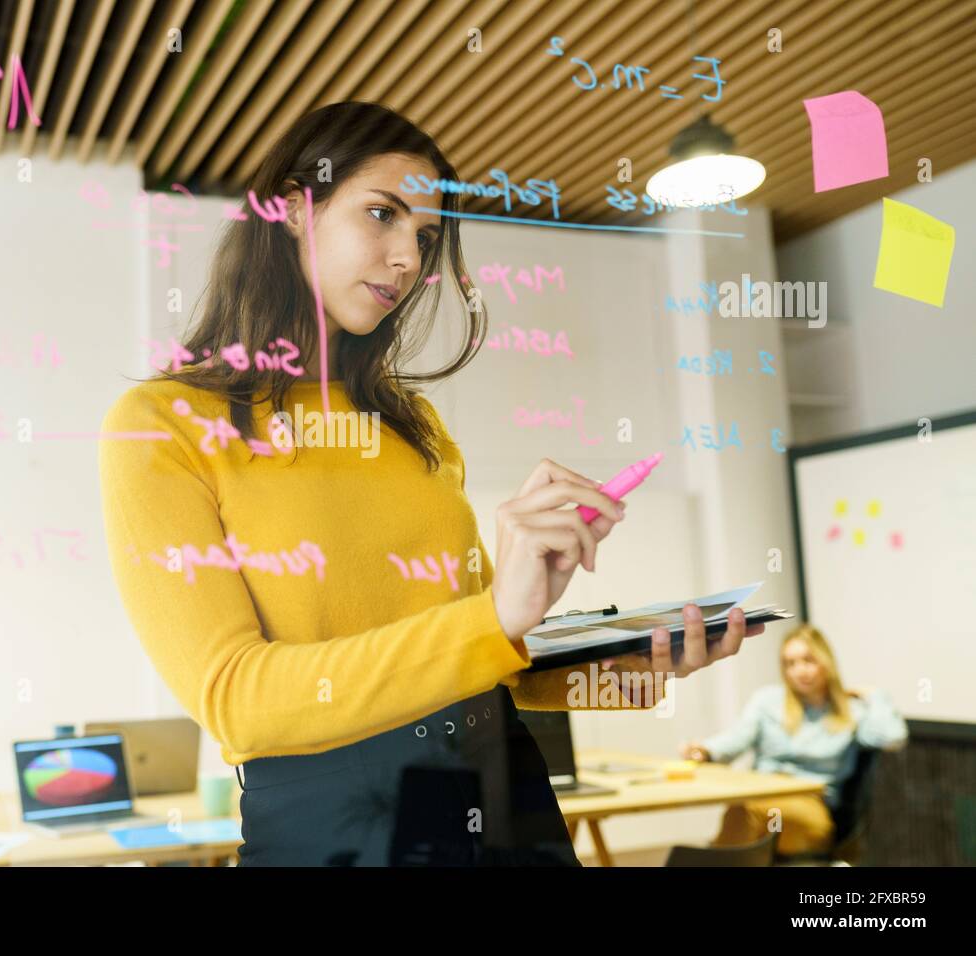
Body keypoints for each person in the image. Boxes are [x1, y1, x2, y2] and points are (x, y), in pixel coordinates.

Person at [99, 101, 765, 866]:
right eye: (381, 215)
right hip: (338, 829)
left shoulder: (411, 422)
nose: (409, 259)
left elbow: (487, 665)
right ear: (289, 209)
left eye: (424, 237)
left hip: (507, 801)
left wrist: (628, 666)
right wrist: (491, 622)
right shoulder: (163, 423)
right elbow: (236, 701)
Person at [681, 624, 907, 857]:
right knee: (745, 809)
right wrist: (704, 751)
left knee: (748, 811)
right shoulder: (768, 701)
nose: (800, 671)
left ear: (826, 662)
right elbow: (734, 740)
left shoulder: (851, 713)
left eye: (808, 660)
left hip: (811, 808)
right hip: (763, 793)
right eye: (790, 664)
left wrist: (874, 695)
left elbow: (893, 737)